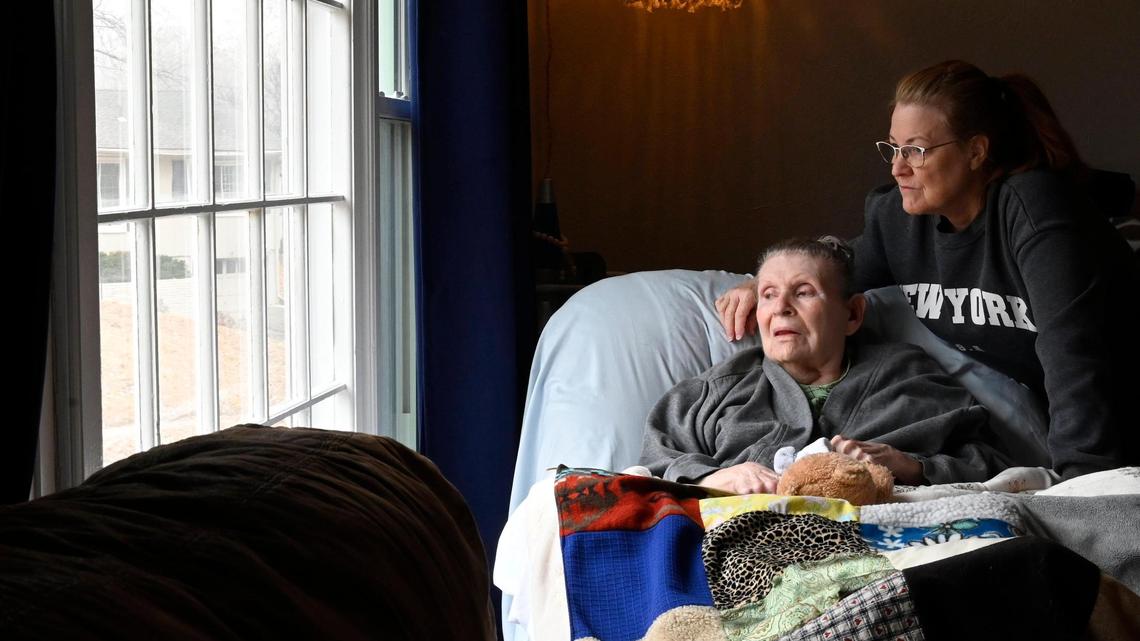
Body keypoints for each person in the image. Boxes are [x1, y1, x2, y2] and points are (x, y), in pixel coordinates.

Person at [714, 60, 1140, 480]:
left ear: (976, 151)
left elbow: (1074, 356)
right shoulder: (898, 223)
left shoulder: (1033, 209)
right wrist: (761, 286)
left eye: (916, 150)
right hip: (1072, 426)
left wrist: (1085, 485)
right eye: (893, 148)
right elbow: (831, 271)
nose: (898, 167)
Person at [640, 237, 1011, 494]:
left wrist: (910, 467)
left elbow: (995, 465)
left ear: (852, 314)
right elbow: (651, 466)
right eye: (768, 294)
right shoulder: (720, 389)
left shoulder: (906, 374)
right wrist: (714, 477)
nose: (782, 306)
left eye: (803, 292)